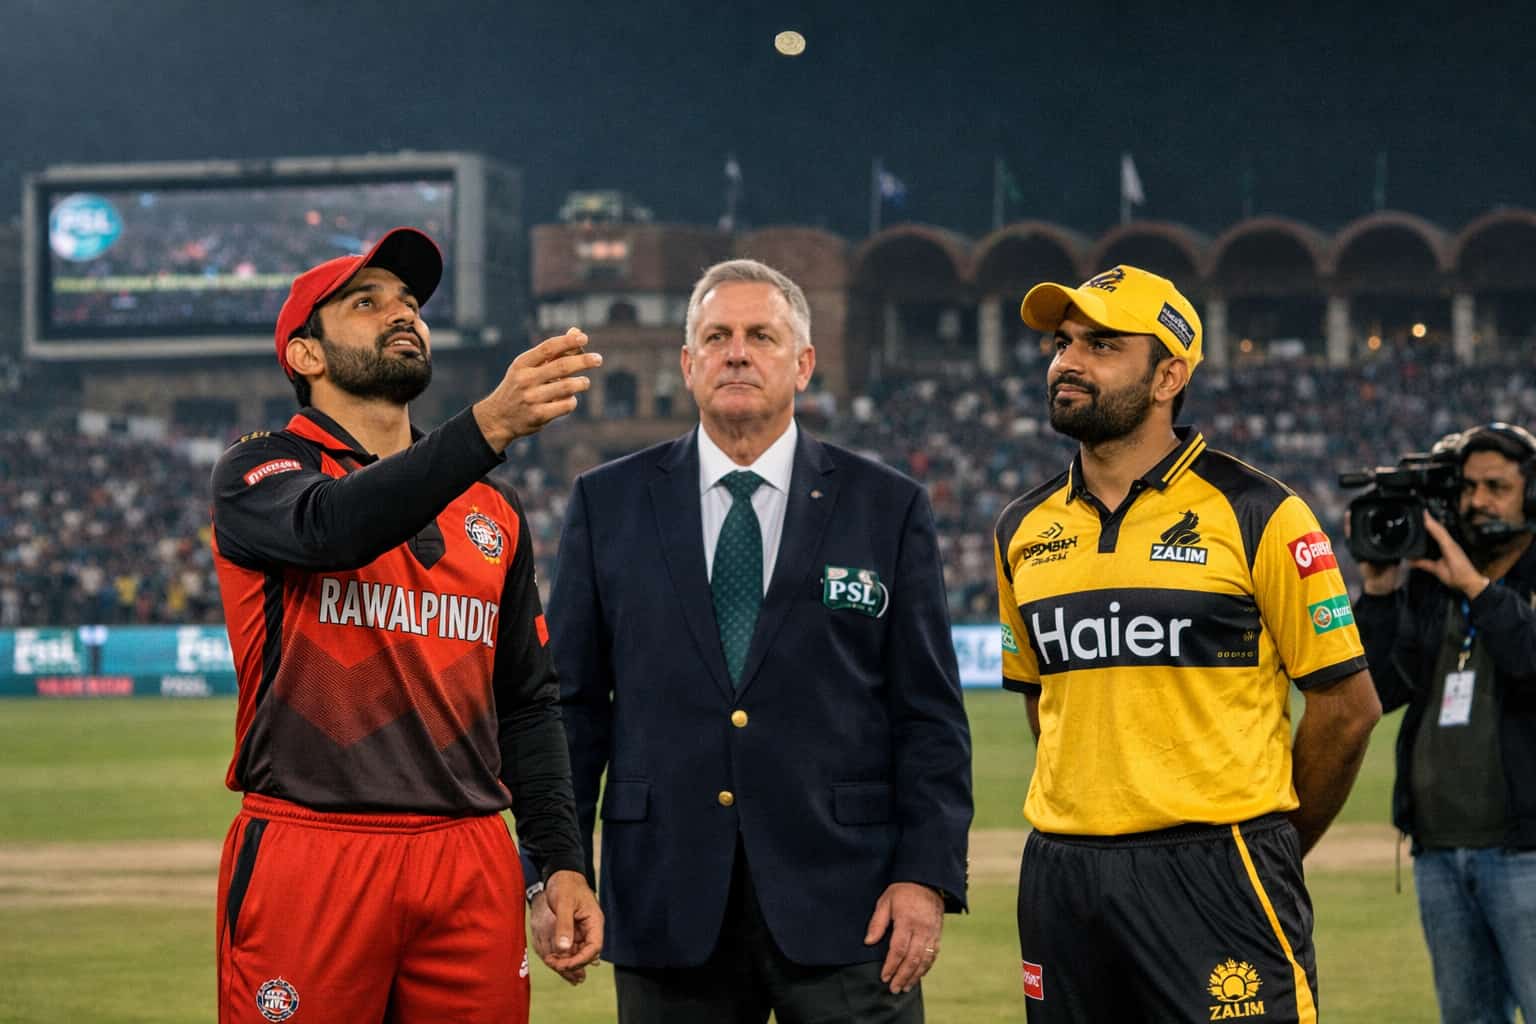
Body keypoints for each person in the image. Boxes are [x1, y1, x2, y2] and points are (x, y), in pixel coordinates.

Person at [537, 258, 973, 1023]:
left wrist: (926, 876)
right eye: (717, 336)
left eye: (761, 335)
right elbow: (571, 709)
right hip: (666, 901)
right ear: (687, 363)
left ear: (804, 363)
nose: (737, 352)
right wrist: (557, 866)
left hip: (852, 905)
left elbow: (929, 715)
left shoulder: (887, 507)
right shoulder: (607, 503)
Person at [208, 227, 603, 1024]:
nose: (403, 314)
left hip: (469, 857)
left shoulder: (492, 511)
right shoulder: (261, 470)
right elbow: (332, 530)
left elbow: (527, 702)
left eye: (412, 303)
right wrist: (487, 427)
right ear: (305, 356)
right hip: (314, 848)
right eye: (367, 301)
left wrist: (558, 860)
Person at [995, 265, 1381, 1023]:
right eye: (1062, 342)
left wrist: (1265, 847)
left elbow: (1347, 707)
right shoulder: (1021, 527)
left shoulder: (1261, 513)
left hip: (1219, 866)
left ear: (1169, 373)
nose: (1067, 361)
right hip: (1062, 875)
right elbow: (1046, 706)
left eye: (1102, 343)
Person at [1353, 422, 1536, 1023]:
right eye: (1468, 487)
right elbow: (1376, 691)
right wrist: (1380, 595)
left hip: (1525, 855)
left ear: (1529, 497)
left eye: (1496, 487)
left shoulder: (1481, 581)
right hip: (1439, 857)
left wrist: (1477, 588)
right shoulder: (1434, 588)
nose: (1477, 500)